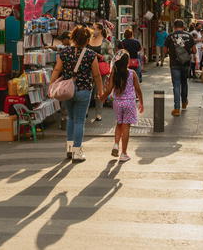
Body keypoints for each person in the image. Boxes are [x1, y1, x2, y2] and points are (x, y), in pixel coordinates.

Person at [50, 25, 103, 163]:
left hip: (68, 90)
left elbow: (56, 70)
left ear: (73, 37)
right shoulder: (91, 54)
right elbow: (97, 75)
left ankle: (69, 149)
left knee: (71, 119)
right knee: (80, 121)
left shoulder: (64, 53)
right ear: (87, 40)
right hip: (84, 90)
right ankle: (77, 152)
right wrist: (101, 90)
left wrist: (51, 84)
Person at [100, 50, 143, 162]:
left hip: (117, 102)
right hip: (129, 102)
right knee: (126, 127)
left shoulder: (114, 73)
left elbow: (109, 89)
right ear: (127, 62)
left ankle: (115, 144)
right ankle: (123, 153)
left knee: (119, 124)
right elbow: (138, 89)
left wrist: (103, 97)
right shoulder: (132, 73)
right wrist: (141, 103)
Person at [165, 20, 195, 116]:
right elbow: (194, 50)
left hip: (174, 64)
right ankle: (184, 102)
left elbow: (165, 50)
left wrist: (172, 52)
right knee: (184, 83)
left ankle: (177, 109)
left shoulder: (170, 36)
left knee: (176, 85)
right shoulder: (189, 36)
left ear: (174, 26)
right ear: (183, 26)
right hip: (186, 63)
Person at [88, 22, 114, 122]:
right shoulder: (88, 40)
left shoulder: (106, 42)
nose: (92, 30)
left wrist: (101, 56)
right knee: (87, 90)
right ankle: (85, 111)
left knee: (99, 91)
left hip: (100, 69)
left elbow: (111, 55)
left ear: (99, 30)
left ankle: (98, 113)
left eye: (94, 28)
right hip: (88, 68)